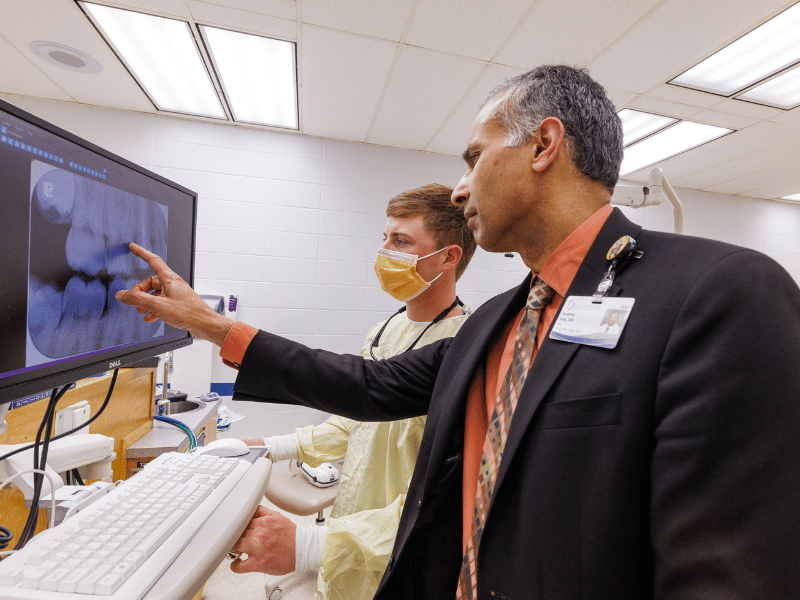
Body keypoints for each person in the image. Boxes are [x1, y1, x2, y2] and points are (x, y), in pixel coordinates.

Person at [117, 65, 800, 599]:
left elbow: (729, 571)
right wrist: (207, 323)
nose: (459, 189)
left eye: (474, 158)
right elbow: (366, 385)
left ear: (544, 145)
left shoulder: (713, 291)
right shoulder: (503, 319)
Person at [240, 183, 476, 600]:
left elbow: (444, 505)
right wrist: (270, 446)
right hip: (347, 533)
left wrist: (311, 545)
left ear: (448, 257)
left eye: (401, 241)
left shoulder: (466, 353)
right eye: (384, 239)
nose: (384, 253)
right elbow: (356, 424)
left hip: (398, 560)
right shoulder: (386, 330)